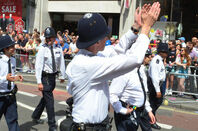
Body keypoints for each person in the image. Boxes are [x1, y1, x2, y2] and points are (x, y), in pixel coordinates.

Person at [66, 2, 161, 131]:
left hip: (97, 126)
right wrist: (146, 28)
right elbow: (134, 60)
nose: (108, 38)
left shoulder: (92, 55)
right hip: (87, 128)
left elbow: (118, 50)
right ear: (97, 41)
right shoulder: (86, 64)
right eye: (105, 35)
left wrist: (136, 27)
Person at [110, 49, 155, 131]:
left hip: (135, 109)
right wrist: (122, 110)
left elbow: (142, 93)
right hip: (126, 112)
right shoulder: (124, 72)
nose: (147, 58)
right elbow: (112, 94)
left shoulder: (139, 70)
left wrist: (148, 110)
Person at [32, 27, 66, 131]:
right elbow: (38, 65)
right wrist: (39, 82)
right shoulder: (42, 48)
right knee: (50, 102)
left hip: (52, 77)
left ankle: (36, 115)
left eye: (50, 38)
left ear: (54, 37)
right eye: (47, 38)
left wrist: (62, 75)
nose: (48, 40)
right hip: (45, 77)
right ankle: (52, 126)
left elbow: (62, 62)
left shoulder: (58, 48)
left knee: (46, 98)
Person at [0, 35, 23, 131]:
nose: (14, 48)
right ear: (5, 49)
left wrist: (16, 77)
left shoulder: (13, 60)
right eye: (11, 47)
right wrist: (5, 78)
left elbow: (11, 75)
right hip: (0, 96)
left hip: (10, 96)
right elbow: (6, 77)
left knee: (13, 121)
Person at [148, 42, 168, 130]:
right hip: (156, 85)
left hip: (160, 84)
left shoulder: (160, 60)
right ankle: (150, 119)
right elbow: (155, 76)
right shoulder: (157, 60)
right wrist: (157, 90)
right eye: (166, 52)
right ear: (161, 52)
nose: (167, 54)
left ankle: (151, 118)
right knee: (155, 102)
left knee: (155, 103)